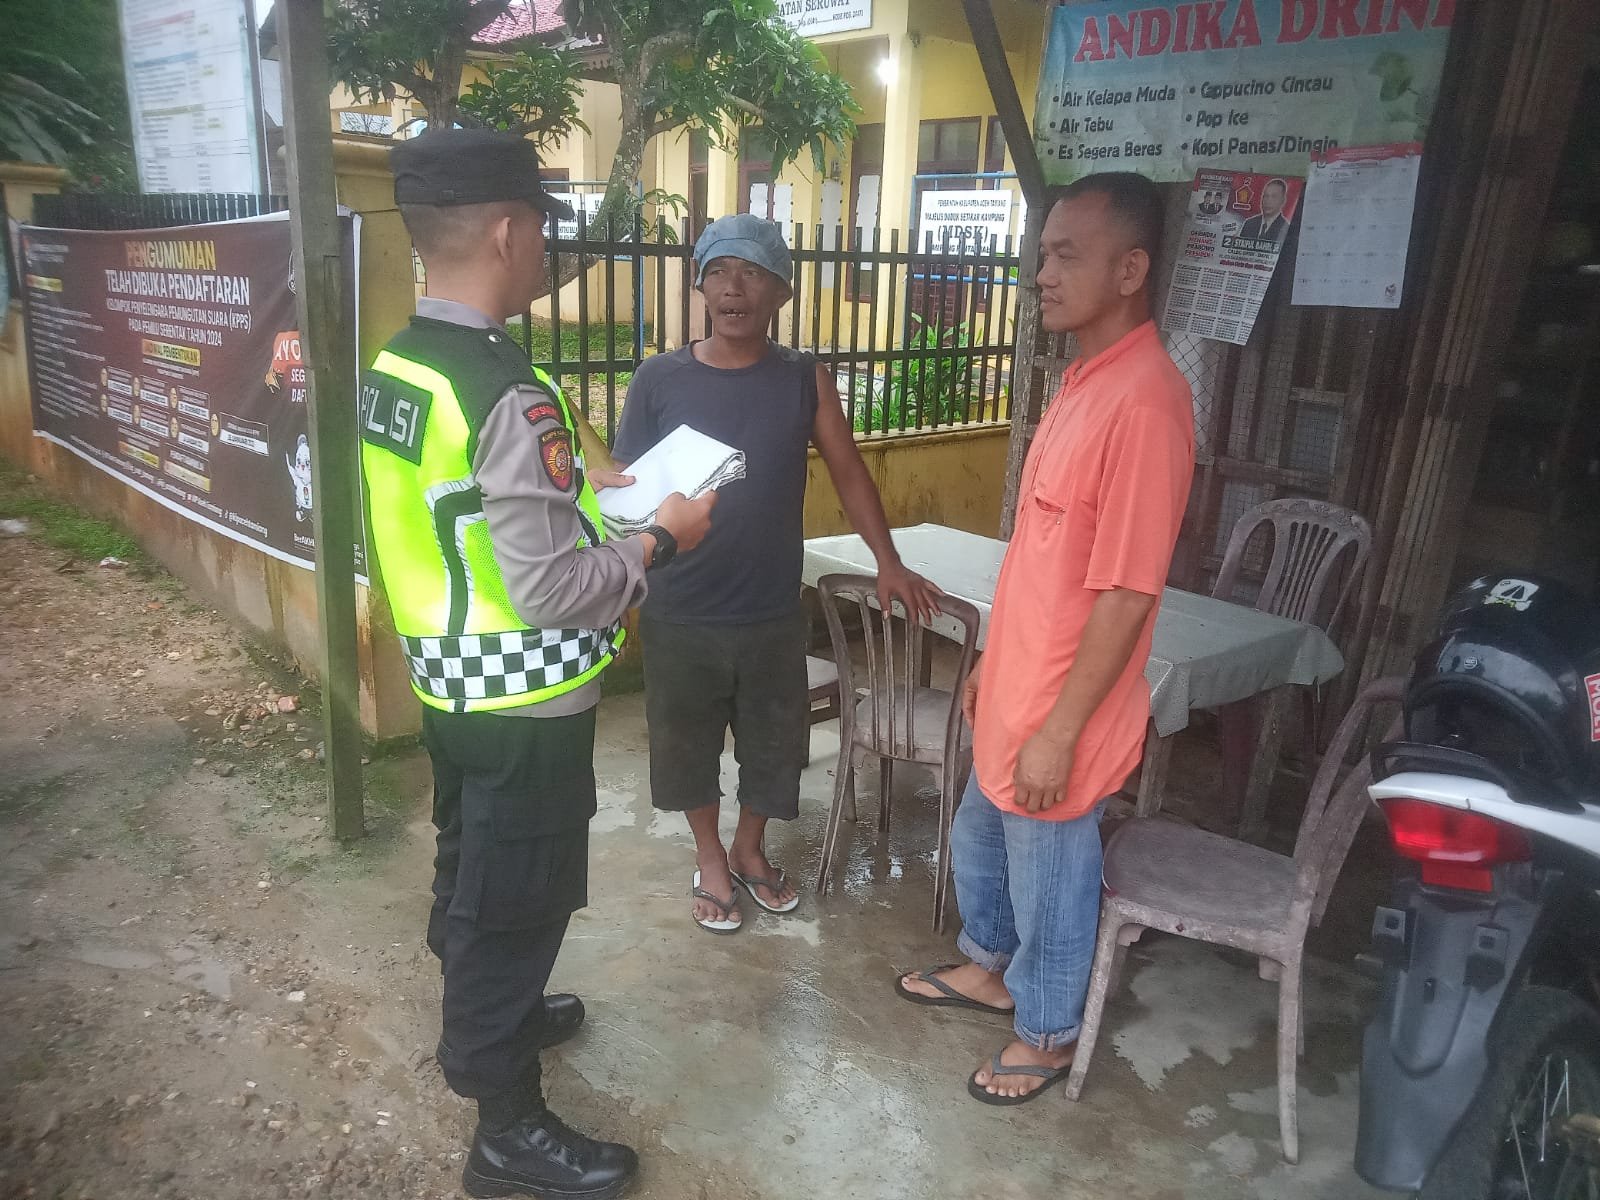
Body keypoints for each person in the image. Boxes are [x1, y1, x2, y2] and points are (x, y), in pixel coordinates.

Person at [360, 128, 715, 1199]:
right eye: (543, 231)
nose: (546, 251)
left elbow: (455, 511)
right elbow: (555, 590)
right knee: (514, 904)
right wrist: (659, 542)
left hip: (450, 681)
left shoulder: (404, 365)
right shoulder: (503, 392)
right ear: (510, 232)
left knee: (470, 869)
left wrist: (581, 492)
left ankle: (493, 1008)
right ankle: (505, 1128)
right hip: (526, 700)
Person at [896, 173, 1195, 1104]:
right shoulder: (1081, 383)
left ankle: (1050, 1030)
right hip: (1019, 683)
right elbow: (1042, 553)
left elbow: (1127, 593)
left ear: (1130, 271)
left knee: (1054, 872)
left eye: (1067, 255)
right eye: (1043, 254)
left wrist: (1062, 731)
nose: (1042, 274)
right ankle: (989, 967)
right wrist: (992, 658)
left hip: (1067, 706)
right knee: (981, 837)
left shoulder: (1146, 403)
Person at [612, 213, 941, 933]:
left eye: (752, 273)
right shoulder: (659, 378)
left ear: (781, 291)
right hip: (681, 606)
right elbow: (627, 487)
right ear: (701, 287)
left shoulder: (802, 378)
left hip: (770, 608)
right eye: (719, 272)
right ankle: (709, 858)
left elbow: (849, 470)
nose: (734, 288)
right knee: (687, 746)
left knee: (777, 744)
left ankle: (748, 848)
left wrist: (888, 562)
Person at [1240, 178, 1290, 243]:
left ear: (1283, 200)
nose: (1268, 201)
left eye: (1274, 197)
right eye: (1266, 196)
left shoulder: (1286, 229)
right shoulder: (1249, 224)